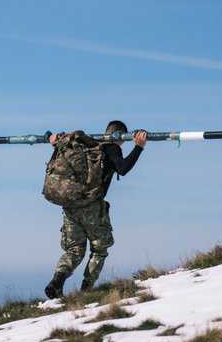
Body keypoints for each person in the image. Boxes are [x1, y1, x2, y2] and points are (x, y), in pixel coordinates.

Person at [44, 121, 147, 298]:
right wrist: (138, 147)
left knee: (74, 250)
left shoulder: (85, 144)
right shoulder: (112, 148)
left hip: (70, 205)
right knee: (99, 249)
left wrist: (52, 139)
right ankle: (87, 290)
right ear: (121, 135)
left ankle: (57, 281)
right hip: (92, 206)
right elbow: (123, 169)